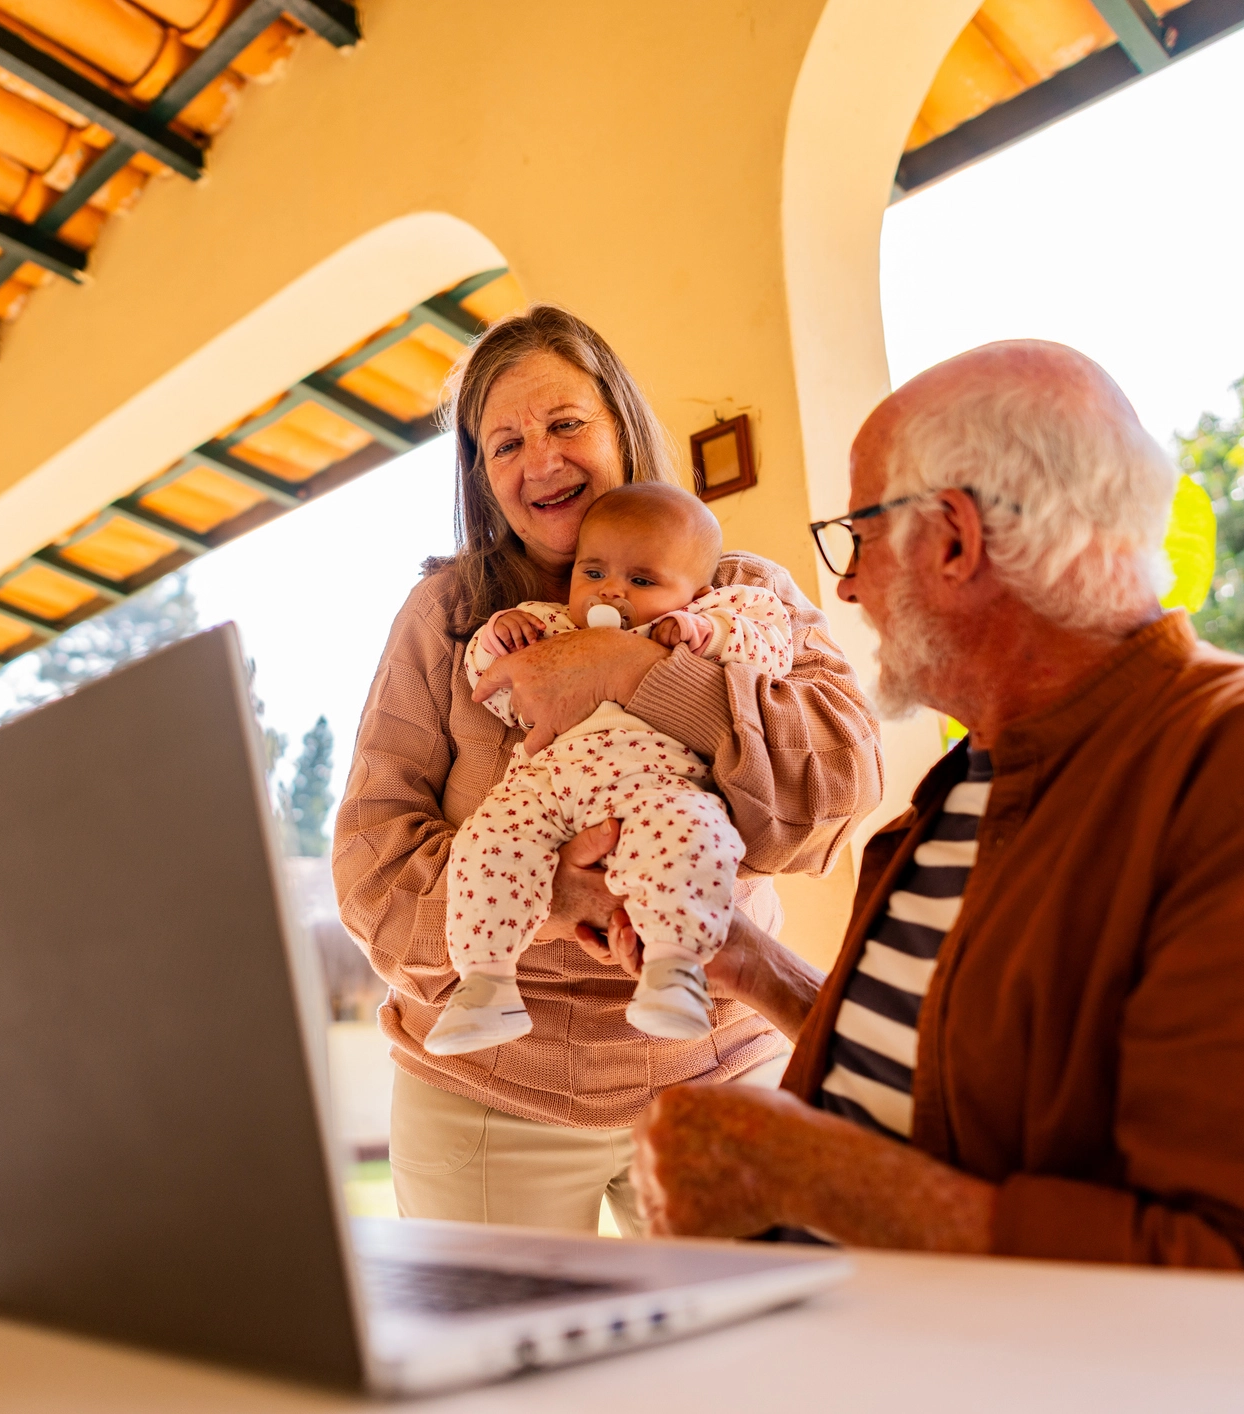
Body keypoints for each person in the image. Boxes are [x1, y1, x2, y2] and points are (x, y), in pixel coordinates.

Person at [627, 340, 1244, 1282]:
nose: (845, 585)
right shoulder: (979, 779)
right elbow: (970, 1093)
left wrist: (811, 1178)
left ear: (953, 538)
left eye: (858, 536)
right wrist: (749, 964)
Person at [333, 305, 881, 1236]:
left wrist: (638, 671)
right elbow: (368, 870)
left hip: (716, 1064)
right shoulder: (450, 617)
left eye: (564, 424)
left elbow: (836, 791)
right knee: (500, 1340)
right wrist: (551, 893)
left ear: (621, 425)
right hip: (485, 1086)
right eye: (504, 443)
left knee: (755, 1335)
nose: (539, 461)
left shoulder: (740, 595)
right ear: (480, 475)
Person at [431, 483, 794, 1054]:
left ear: (696, 594)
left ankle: (675, 972)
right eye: (593, 573)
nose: (611, 591)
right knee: (485, 842)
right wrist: (499, 637)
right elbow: (495, 689)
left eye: (642, 581)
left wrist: (711, 633)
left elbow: (772, 648)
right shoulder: (550, 627)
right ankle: (485, 982)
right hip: (547, 784)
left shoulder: (697, 625)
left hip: (656, 785)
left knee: (692, 836)